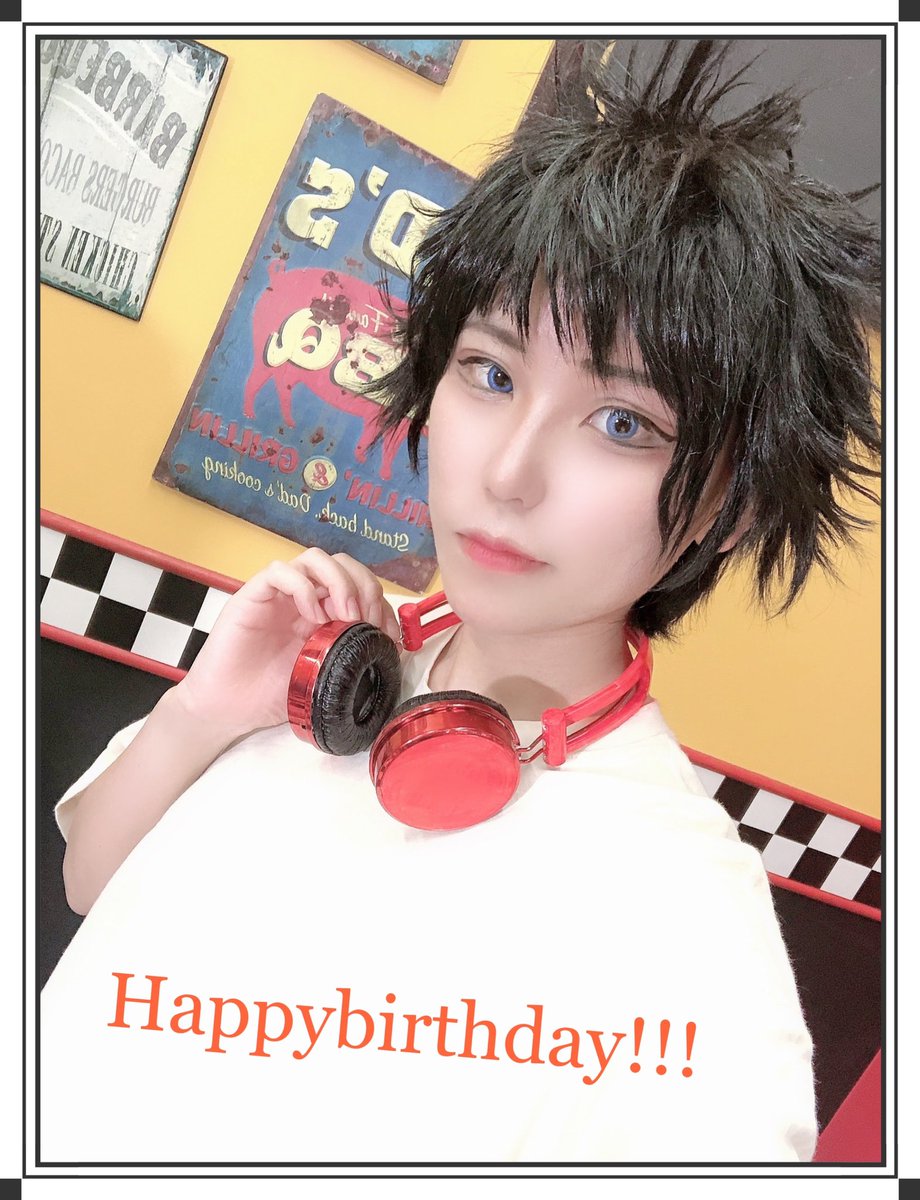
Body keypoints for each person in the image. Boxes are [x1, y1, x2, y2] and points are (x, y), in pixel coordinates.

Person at [41, 40, 879, 1164]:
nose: (509, 472)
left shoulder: (687, 922)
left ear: (728, 511)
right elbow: (90, 883)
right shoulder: (327, 667)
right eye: (490, 373)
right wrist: (204, 715)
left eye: (622, 424)